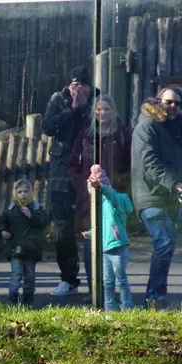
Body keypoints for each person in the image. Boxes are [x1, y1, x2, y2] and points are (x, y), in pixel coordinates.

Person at [68, 94, 132, 290]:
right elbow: (72, 164)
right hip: (89, 197)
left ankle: (112, 289)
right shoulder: (86, 135)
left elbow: (130, 166)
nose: (102, 112)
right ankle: (94, 289)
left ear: (113, 111)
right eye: (98, 109)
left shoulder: (122, 134)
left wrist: (119, 188)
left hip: (113, 198)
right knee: (90, 243)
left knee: (114, 242)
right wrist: (82, 186)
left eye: (106, 109)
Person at [42, 65, 96, 296]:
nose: (77, 90)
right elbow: (48, 128)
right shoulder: (59, 99)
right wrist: (72, 109)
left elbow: (104, 125)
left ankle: (96, 280)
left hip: (88, 171)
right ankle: (68, 278)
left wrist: (85, 108)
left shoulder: (98, 99)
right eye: (74, 85)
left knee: (92, 228)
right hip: (61, 172)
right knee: (63, 228)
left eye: (81, 86)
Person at [131, 87, 182, 310]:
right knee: (165, 241)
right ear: (158, 100)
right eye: (169, 102)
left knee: (166, 244)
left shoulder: (171, 129)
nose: (173, 107)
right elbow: (149, 163)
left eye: (177, 104)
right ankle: (153, 297)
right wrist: (176, 183)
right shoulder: (148, 125)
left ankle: (156, 296)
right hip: (150, 195)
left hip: (169, 196)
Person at [83, 165, 133, 311]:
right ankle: (109, 308)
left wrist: (101, 186)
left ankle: (127, 307)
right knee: (107, 281)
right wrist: (90, 233)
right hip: (104, 247)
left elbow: (111, 196)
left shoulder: (116, 199)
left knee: (121, 279)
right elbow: (102, 225)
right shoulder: (99, 205)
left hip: (117, 245)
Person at [0, 179, 48, 307]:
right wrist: (3, 231)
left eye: (26, 191)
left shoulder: (36, 208)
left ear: (31, 193)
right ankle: (12, 302)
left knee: (29, 277)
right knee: (16, 275)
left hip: (32, 249)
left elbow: (43, 223)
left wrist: (31, 215)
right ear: (15, 193)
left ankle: (28, 302)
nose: (23, 194)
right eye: (19, 192)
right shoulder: (11, 209)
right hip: (16, 248)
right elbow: (1, 222)